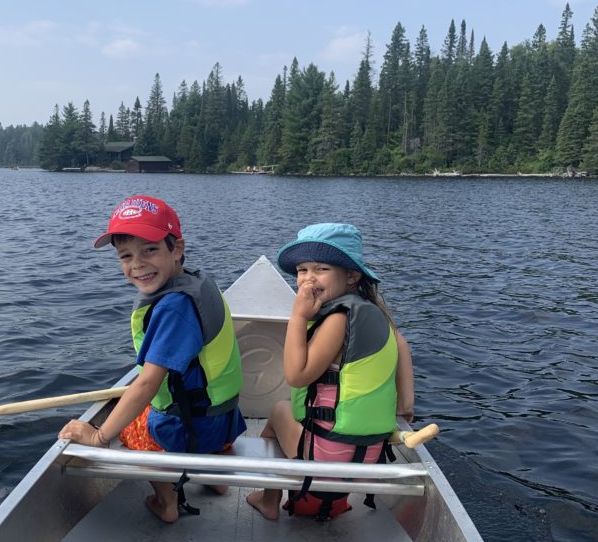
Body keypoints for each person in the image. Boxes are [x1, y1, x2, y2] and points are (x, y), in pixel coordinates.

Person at [59, 195, 246, 523]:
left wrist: (99, 436)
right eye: (126, 256)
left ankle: (166, 501)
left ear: (176, 249)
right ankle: (215, 479)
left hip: (195, 430)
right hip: (225, 422)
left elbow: (146, 384)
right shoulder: (196, 281)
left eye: (149, 250)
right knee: (145, 407)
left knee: (130, 428)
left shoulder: (174, 308)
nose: (138, 264)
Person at [247, 222, 414, 521]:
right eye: (302, 270)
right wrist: (403, 409)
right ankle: (327, 501)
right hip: (369, 458)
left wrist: (298, 317)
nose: (308, 278)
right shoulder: (376, 315)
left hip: (327, 459)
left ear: (351, 276)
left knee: (279, 411)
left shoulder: (337, 320)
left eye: (321, 269)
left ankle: (268, 498)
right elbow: (403, 359)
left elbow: (297, 376)